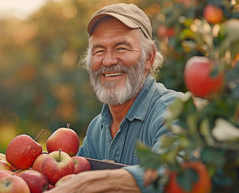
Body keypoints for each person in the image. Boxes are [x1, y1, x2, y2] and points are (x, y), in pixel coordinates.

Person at [46, 3, 182, 193]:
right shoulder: (97, 129)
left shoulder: (173, 111)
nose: (108, 61)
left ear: (149, 58)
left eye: (121, 48)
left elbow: (175, 170)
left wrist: (87, 184)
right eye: (99, 51)